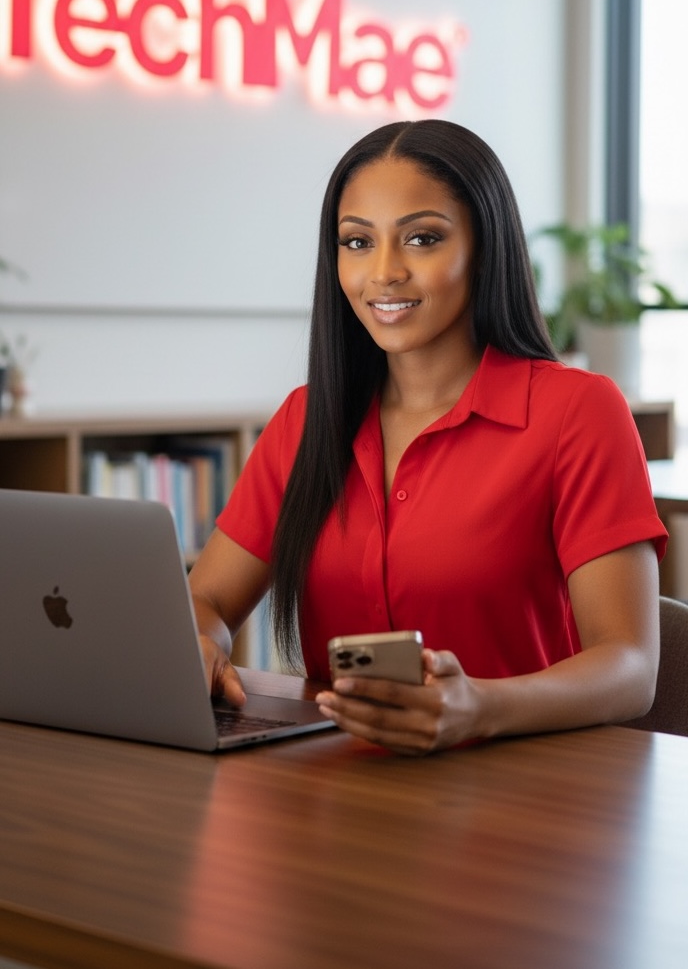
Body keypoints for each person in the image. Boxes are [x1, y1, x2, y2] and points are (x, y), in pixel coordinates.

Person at [189, 119, 667, 755]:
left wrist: (478, 708)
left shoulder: (576, 411)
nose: (384, 273)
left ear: (483, 246)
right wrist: (200, 641)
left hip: (531, 794)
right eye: (357, 243)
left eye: (421, 238)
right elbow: (208, 598)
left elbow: (631, 666)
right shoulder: (307, 421)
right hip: (336, 787)